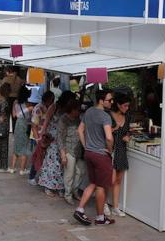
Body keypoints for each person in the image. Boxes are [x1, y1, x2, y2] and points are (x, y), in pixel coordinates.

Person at [73, 89, 115, 226]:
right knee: (101, 187)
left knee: (93, 183)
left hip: (89, 153)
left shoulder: (89, 111)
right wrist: (109, 150)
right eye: (109, 100)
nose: (111, 102)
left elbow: (80, 130)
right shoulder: (105, 116)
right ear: (101, 101)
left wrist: (86, 146)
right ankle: (100, 217)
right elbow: (109, 137)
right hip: (101, 155)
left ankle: (80, 209)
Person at [38, 91, 70, 197]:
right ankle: (49, 185)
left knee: (61, 162)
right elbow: (47, 120)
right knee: (52, 162)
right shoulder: (54, 107)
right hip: (52, 137)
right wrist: (42, 134)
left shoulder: (67, 109)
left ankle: (59, 186)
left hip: (63, 137)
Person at [59, 97, 86, 205]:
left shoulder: (78, 119)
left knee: (80, 172)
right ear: (71, 109)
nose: (78, 112)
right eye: (76, 110)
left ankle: (75, 190)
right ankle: (68, 194)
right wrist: (63, 155)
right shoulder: (63, 120)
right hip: (68, 149)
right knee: (69, 174)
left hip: (78, 149)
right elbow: (60, 138)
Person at [109, 93, 131, 217]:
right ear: (118, 105)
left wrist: (127, 136)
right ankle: (105, 204)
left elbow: (128, 131)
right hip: (110, 150)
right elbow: (103, 131)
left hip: (121, 150)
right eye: (125, 105)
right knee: (110, 180)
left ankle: (115, 207)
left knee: (118, 180)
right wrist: (114, 129)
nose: (127, 108)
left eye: (128, 106)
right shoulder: (109, 115)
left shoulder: (127, 117)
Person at [27, 86, 50, 186]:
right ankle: (32, 176)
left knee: (41, 157)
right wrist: (37, 139)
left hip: (43, 135)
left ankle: (40, 176)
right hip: (38, 136)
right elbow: (34, 125)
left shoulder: (47, 108)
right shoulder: (38, 108)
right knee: (37, 157)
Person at [9, 86, 33, 175]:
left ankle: (12, 168)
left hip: (18, 124)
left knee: (17, 145)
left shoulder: (15, 102)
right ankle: (22, 170)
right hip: (25, 124)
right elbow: (31, 117)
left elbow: (14, 115)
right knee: (24, 147)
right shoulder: (29, 104)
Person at [2, 66, 24, 132]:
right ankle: (15, 131)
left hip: (8, 98)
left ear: (8, 71)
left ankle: (6, 131)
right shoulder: (19, 79)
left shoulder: (6, 79)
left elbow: (2, 89)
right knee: (15, 117)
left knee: (7, 116)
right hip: (16, 99)